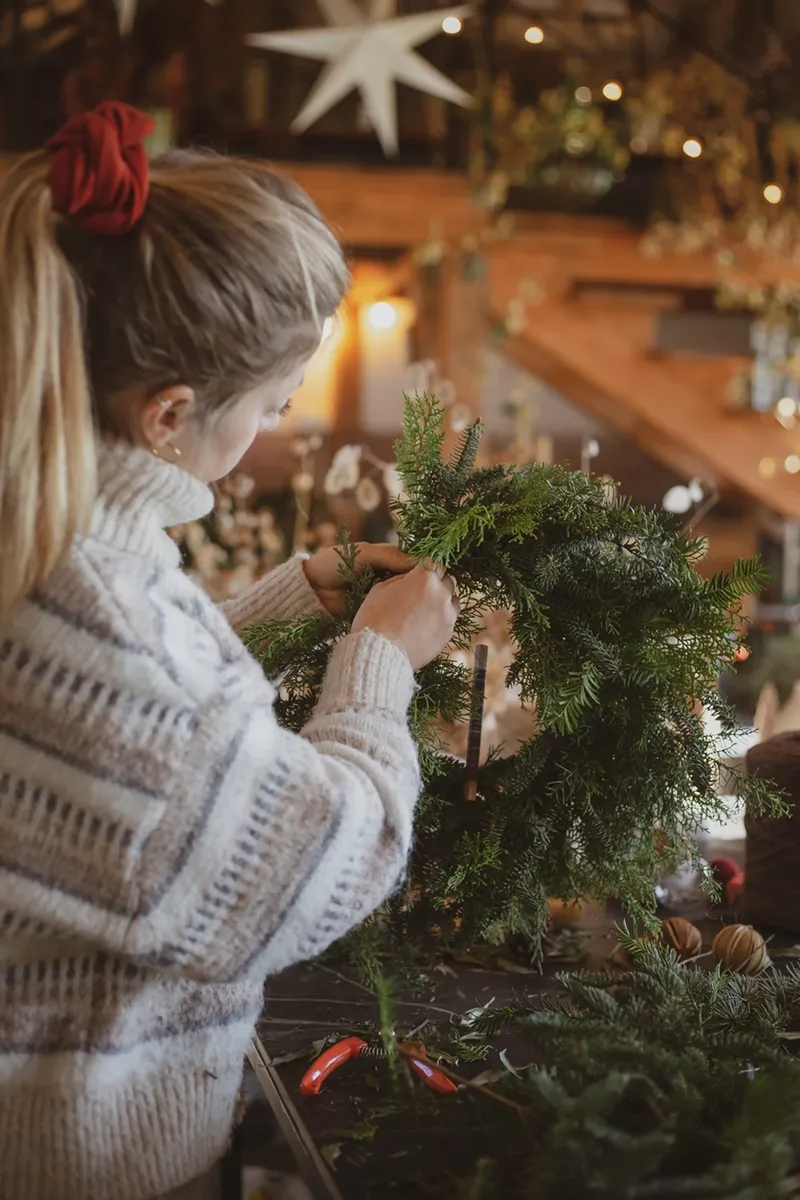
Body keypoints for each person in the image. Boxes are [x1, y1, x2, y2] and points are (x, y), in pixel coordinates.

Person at [0, 102, 458, 1200]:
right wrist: (377, 666)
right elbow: (322, 866)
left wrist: (283, 602)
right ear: (168, 413)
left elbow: (115, 755)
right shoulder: (97, 609)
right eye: (271, 402)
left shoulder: (47, 539)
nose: (273, 424)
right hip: (84, 1170)